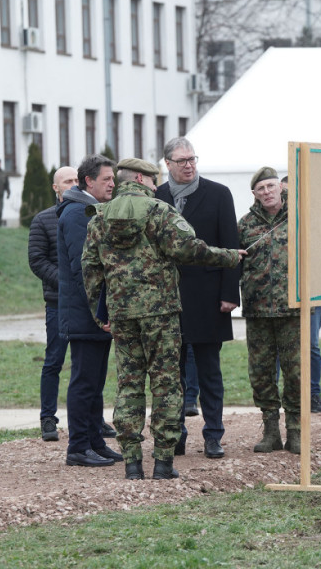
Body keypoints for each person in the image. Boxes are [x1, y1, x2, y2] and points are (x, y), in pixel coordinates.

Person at [81, 158, 245, 480]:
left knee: (128, 385)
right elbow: (190, 250)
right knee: (166, 384)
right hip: (161, 313)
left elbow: (90, 270)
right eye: (154, 181)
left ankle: (130, 462)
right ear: (141, 179)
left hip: (123, 314)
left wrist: (101, 315)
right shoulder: (160, 211)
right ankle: (163, 462)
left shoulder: (99, 217)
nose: (157, 187)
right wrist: (228, 256)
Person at [155, 137, 241, 459]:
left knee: (209, 372)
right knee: (170, 373)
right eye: (182, 161)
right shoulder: (157, 196)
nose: (189, 165)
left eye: (193, 159)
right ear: (168, 164)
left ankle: (213, 436)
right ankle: (175, 435)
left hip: (208, 298)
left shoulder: (218, 194)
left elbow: (231, 245)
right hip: (168, 300)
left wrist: (230, 294)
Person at [57, 154, 121, 468]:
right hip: (86, 315)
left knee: (95, 383)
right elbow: (84, 270)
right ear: (88, 182)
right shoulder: (76, 214)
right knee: (84, 382)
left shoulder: (91, 210)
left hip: (95, 313)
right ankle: (78, 447)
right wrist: (101, 313)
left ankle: (96, 441)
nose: (113, 184)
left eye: (113, 178)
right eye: (107, 179)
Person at [238, 167, 302, 454]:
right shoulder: (245, 225)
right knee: (261, 373)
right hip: (258, 310)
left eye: (271, 186)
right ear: (254, 193)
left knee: (296, 372)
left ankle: (297, 431)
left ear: (281, 188)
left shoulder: (300, 217)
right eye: (261, 188)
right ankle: (271, 431)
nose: (267, 192)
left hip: (293, 309)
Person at [28, 167, 78, 441]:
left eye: (75, 180)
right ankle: (48, 418)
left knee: (89, 364)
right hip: (58, 301)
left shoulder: (90, 214)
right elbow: (37, 260)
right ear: (55, 188)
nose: (72, 185)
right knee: (54, 360)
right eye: (66, 181)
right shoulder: (43, 220)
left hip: (88, 301)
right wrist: (66, 282)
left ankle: (91, 418)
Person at [279, 175, 321, 414]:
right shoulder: (275, 222)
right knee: (280, 348)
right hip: (279, 294)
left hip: (310, 293)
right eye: (286, 193)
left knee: (311, 346)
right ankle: (281, 399)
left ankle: (313, 395)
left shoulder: (313, 222)